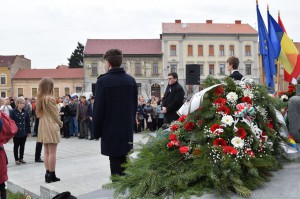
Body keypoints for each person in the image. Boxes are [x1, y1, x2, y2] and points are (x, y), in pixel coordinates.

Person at [93, 49, 137, 176]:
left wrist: (96, 132)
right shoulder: (131, 80)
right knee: (125, 159)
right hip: (126, 128)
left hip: (110, 128)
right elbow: (134, 106)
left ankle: (118, 190)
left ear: (108, 63)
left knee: (115, 160)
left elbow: (99, 109)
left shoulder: (103, 81)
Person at [36, 77, 63, 183]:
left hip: (43, 125)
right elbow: (55, 114)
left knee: (46, 152)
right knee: (52, 152)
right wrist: (60, 123)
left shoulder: (40, 98)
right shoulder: (50, 98)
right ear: (49, 86)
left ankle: (47, 174)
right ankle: (52, 174)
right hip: (50, 125)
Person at [9, 97, 31, 165]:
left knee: (22, 146)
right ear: (17, 104)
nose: (22, 105)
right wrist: (12, 131)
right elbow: (11, 122)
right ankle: (16, 159)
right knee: (16, 146)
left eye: (23, 103)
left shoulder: (25, 111)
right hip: (16, 132)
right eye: (21, 103)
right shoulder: (13, 112)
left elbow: (27, 122)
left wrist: (28, 131)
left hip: (24, 131)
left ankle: (21, 158)